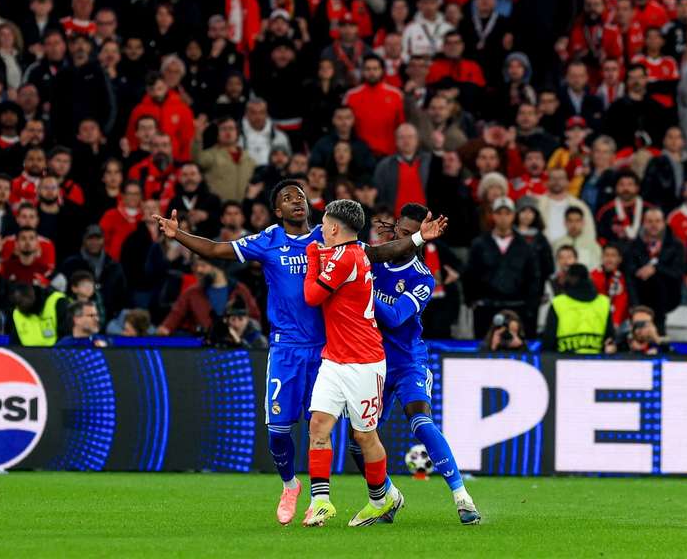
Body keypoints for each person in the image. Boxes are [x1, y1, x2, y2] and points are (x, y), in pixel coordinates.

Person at [152, 179, 445, 526]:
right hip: (286, 349)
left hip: (326, 350)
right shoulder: (268, 240)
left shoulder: (330, 236)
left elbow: (380, 253)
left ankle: (329, 500)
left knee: (328, 427)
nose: (296, 201)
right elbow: (217, 250)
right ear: (278, 210)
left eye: (301, 196)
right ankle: (291, 486)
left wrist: (418, 238)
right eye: (288, 198)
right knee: (278, 431)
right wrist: (178, 235)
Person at [363, 202, 480, 524]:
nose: (399, 239)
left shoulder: (422, 279)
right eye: (398, 232)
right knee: (360, 439)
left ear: (420, 239)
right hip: (371, 362)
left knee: (420, 421)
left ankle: (462, 497)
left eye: (408, 235)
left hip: (407, 361)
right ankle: (387, 495)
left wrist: (363, 289)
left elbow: (394, 317)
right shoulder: (373, 259)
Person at [301, 199, 402, 527]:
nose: (320, 231)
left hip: (364, 361)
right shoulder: (351, 252)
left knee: (364, 436)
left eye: (323, 225)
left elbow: (312, 296)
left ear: (333, 228)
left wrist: (312, 258)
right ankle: (320, 502)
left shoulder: (346, 257)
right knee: (318, 425)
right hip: (334, 358)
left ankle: (381, 500)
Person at [463, 196, 542, 339]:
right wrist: (472, 301)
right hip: (486, 308)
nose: (503, 218)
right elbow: (470, 275)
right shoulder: (479, 244)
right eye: (499, 213)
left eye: (507, 213)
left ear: (513, 215)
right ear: (493, 215)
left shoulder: (525, 246)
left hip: (518, 307)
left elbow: (533, 277)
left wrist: (530, 305)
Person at [623, 207, 686, 334]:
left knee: (656, 280)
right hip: (641, 293)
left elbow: (677, 273)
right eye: (650, 221)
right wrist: (639, 272)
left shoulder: (676, 245)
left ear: (664, 223)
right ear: (643, 223)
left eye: (657, 221)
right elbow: (629, 272)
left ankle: (658, 330)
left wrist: (655, 269)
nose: (654, 225)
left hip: (668, 294)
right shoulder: (633, 246)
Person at [543, 263, 615, 355]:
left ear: (569, 278)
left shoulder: (558, 303)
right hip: (596, 359)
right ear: (589, 278)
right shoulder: (603, 302)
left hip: (564, 359)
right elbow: (610, 338)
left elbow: (549, 339)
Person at [8, 282, 69, 347]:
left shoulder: (57, 301)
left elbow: (67, 336)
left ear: (31, 295)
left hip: (56, 351)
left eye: (21, 302)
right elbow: (15, 342)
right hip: (26, 352)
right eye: (17, 303)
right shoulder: (17, 312)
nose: (19, 307)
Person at [552, 207, 601, 272]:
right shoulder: (557, 244)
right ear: (565, 223)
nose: (574, 225)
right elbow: (554, 267)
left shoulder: (592, 245)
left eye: (577, 221)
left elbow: (597, 267)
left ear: (583, 223)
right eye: (570, 221)